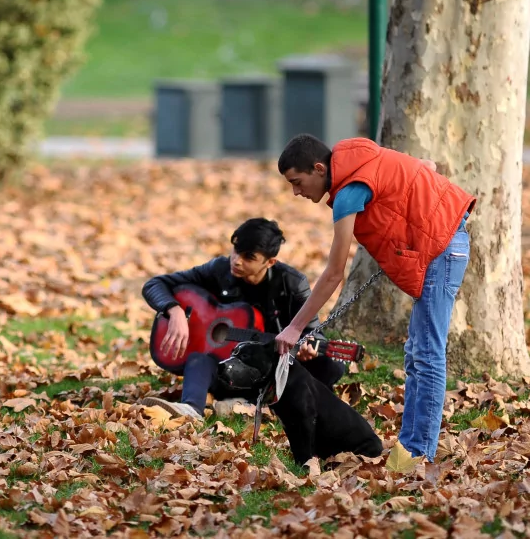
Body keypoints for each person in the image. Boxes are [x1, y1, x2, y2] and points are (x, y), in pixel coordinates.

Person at [274, 133, 475, 461]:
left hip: (443, 250)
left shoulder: (347, 195)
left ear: (319, 168)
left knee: (427, 355)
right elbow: (424, 165)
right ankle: (409, 448)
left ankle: (418, 456)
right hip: (443, 244)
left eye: (297, 182)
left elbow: (334, 273)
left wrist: (295, 328)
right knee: (416, 354)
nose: (296, 192)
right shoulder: (360, 155)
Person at [140, 218, 345, 420]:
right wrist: (175, 311)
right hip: (224, 368)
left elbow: (314, 333)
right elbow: (154, 284)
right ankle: (192, 409)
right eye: (236, 251)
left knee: (331, 366)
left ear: (270, 262)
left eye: (249, 257)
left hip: (270, 371)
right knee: (198, 359)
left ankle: (252, 404)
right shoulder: (219, 269)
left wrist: (308, 349)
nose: (237, 260)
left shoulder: (292, 283)